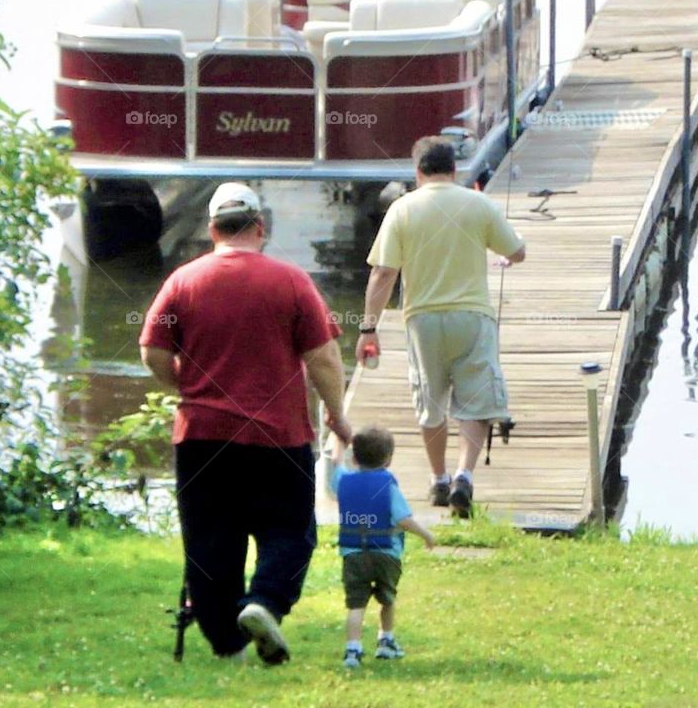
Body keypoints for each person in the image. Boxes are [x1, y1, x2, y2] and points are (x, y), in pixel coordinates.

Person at [139, 182, 352, 665]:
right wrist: (337, 416)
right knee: (290, 531)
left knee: (212, 541)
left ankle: (226, 646)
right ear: (261, 227)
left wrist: (185, 388)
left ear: (212, 229)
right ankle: (264, 602)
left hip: (201, 437)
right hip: (277, 435)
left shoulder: (183, 282)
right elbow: (323, 357)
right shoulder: (292, 281)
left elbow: (152, 350)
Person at [359, 136, 526, 518]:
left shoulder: (402, 209)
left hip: (422, 319)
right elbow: (515, 252)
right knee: (475, 401)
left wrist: (369, 330)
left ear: (417, 172)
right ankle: (464, 476)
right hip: (472, 316)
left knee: (430, 401)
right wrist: (515, 249)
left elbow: (384, 273)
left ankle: (438, 479)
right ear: (455, 170)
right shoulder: (478, 203)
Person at [327, 425, 435, 669]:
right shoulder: (388, 486)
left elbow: (335, 462)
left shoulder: (344, 481)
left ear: (354, 457)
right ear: (388, 459)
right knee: (387, 598)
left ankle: (353, 649)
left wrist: (337, 435)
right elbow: (402, 520)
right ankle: (385, 641)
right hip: (386, 554)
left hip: (353, 554)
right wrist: (426, 534)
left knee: (356, 604)